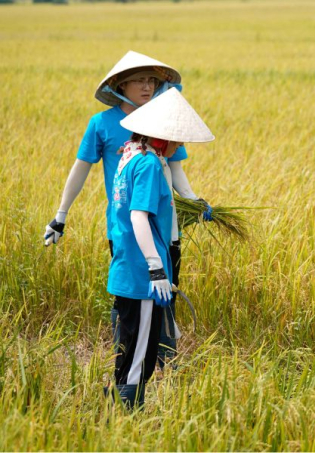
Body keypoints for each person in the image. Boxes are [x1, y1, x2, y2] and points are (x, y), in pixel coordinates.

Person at [42, 51, 209, 367]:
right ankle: (128, 359)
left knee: (166, 290)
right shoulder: (102, 124)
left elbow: (175, 170)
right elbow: (80, 169)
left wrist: (195, 201)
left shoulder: (164, 122)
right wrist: (61, 215)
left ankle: (161, 357)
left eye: (152, 80)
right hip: (126, 228)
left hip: (165, 226)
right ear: (120, 84)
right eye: (139, 80)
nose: (147, 86)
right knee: (130, 293)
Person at [107, 87, 214, 409]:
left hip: (127, 265)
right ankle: (128, 410)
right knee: (142, 349)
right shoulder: (151, 165)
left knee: (130, 343)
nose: (180, 145)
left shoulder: (129, 157)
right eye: (178, 139)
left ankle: (117, 396)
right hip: (142, 275)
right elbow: (139, 216)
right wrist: (156, 268)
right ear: (162, 137)